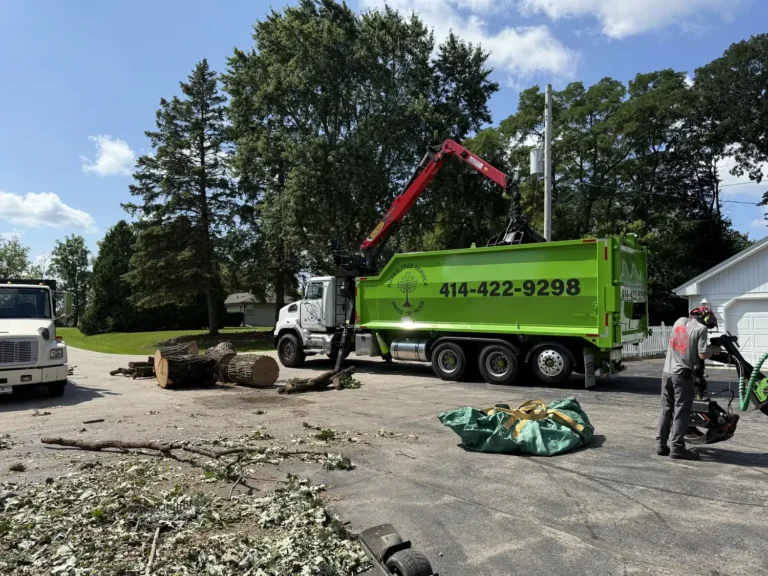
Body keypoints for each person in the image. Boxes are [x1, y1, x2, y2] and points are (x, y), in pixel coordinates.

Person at [656, 306, 719, 460]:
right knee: (681, 412)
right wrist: (714, 349)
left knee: (666, 409)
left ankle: (661, 444)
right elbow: (702, 354)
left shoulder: (679, 322)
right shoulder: (701, 329)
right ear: (704, 317)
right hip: (682, 375)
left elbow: (684, 345)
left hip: (667, 373)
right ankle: (677, 448)